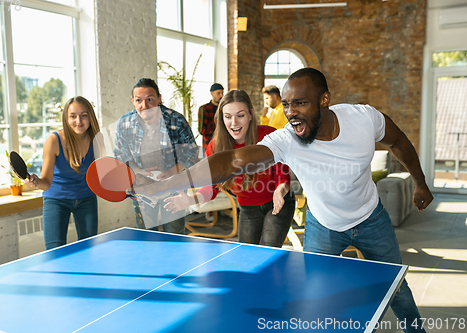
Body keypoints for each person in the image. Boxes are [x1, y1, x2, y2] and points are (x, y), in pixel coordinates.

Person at [134, 68, 434, 333]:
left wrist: (419, 182)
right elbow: (235, 160)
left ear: (324, 99)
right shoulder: (287, 138)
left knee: (397, 288)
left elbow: (398, 141)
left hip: (371, 218)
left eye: (300, 103)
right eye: (287, 104)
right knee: (317, 294)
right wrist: (169, 184)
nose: (291, 112)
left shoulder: (364, 118)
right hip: (324, 226)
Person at [164, 90, 296, 247]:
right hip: (248, 209)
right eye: (228, 117)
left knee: (268, 250)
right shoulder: (215, 147)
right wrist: (190, 201)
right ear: (221, 118)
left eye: (240, 115)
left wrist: (280, 189)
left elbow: (283, 174)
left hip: (278, 203)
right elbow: (211, 187)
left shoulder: (268, 135)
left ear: (251, 115)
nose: (234, 122)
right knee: (248, 256)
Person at [114, 78, 198, 234]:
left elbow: (191, 152)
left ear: (159, 98)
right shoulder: (124, 123)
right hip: (142, 187)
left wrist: (172, 171)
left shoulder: (176, 120)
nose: (144, 106)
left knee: (174, 236)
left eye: (150, 99)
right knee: (146, 235)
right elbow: (120, 155)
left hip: (174, 186)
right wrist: (137, 171)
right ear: (133, 101)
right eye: (139, 100)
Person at [25, 96, 101, 250]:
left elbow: (101, 175)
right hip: (56, 200)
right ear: (66, 118)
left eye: (84, 115)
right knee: (55, 252)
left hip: (87, 198)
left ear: (90, 117)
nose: (78, 120)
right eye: (73, 116)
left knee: (89, 250)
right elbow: (46, 182)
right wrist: (36, 182)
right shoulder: (53, 141)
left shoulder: (97, 140)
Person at [198, 83, 224, 150]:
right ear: (212, 94)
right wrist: (218, 123)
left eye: (222, 93)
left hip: (224, 145)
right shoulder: (204, 109)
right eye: (218, 93)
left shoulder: (224, 109)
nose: (221, 95)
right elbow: (202, 131)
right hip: (209, 146)